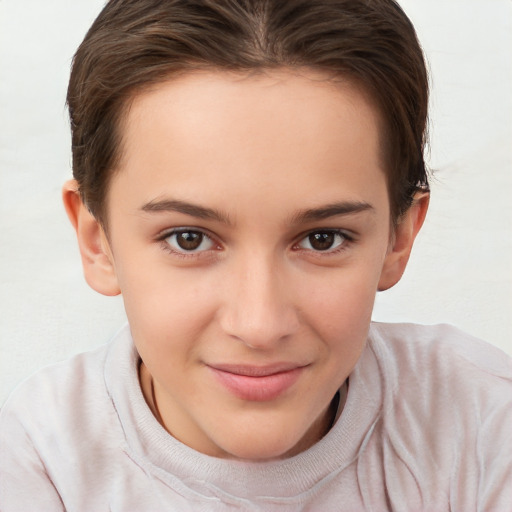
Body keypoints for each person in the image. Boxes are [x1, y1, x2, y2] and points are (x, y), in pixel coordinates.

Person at [0, 0, 510, 510]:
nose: (260, 326)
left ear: (399, 238)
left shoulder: (484, 425)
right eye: (189, 239)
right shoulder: (35, 462)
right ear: (98, 241)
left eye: (322, 239)